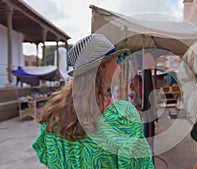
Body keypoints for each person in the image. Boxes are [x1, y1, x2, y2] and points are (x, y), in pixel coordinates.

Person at [32, 34, 154, 169]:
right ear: (102, 66)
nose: (120, 68)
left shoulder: (53, 112)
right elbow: (138, 165)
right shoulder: (122, 115)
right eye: (116, 61)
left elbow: (45, 154)